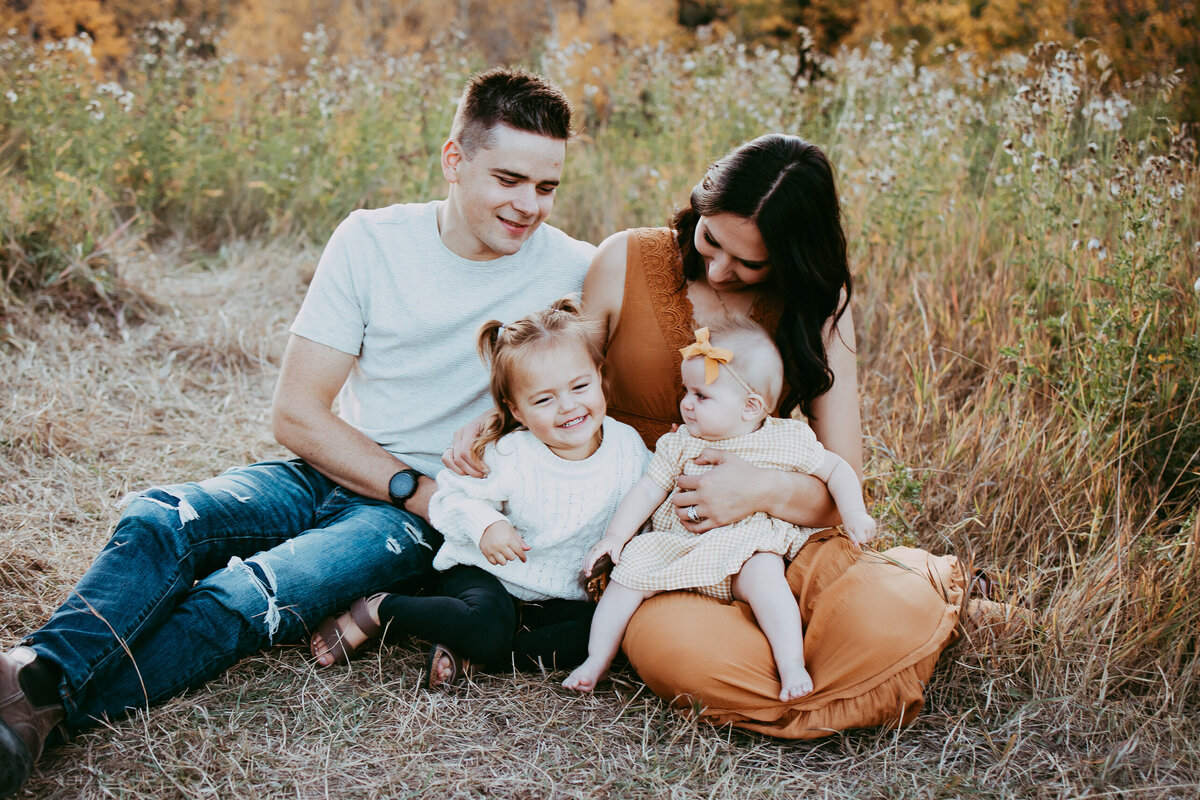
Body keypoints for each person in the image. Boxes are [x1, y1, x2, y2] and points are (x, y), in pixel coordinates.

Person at [0, 67, 595, 797]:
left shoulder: (577, 273)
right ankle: (37, 679)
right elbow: (296, 414)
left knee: (254, 594)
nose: (528, 205)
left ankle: (32, 704)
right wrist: (413, 487)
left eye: (546, 187)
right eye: (509, 179)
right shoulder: (372, 240)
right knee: (162, 517)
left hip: (422, 528)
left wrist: (492, 436)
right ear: (454, 159)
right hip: (339, 470)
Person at [579, 133, 966, 738]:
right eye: (711, 239)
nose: (717, 269)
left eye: (750, 262)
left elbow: (839, 486)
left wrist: (756, 488)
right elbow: (557, 385)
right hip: (665, 552)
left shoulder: (817, 306)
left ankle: (889, 625)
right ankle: (814, 695)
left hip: (770, 544)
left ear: (790, 257)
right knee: (686, 655)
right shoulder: (622, 260)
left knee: (884, 617)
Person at [310, 298, 648, 687]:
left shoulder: (628, 447)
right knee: (487, 625)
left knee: (602, 635)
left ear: (600, 377)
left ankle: (471, 649)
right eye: (544, 399)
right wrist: (486, 524)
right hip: (485, 577)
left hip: (560, 594)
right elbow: (449, 499)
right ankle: (382, 609)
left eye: (580, 386)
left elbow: (650, 499)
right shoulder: (510, 453)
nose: (568, 406)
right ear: (516, 410)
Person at [563, 320, 876, 699]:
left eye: (702, 395)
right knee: (628, 576)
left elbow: (838, 469)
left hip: (746, 550)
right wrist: (616, 537)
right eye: (686, 391)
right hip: (679, 545)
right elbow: (648, 489)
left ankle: (790, 663)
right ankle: (596, 660)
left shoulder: (784, 440)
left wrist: (855, 513)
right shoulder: (680, 443)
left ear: (750, 407)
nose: (687, 403)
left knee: (767, 579)